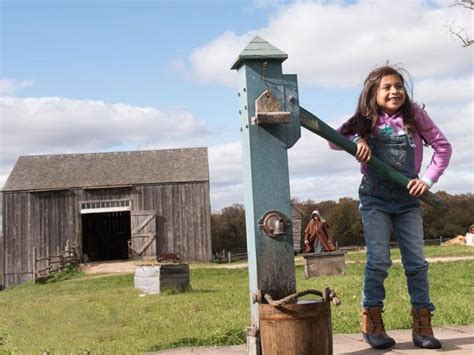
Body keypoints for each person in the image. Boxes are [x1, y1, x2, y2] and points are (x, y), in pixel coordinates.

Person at [330, 65, 452, 350]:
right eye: (387, 87)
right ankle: (372, 320)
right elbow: (333, 140)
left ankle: (422, 325)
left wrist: (428, 180)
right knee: (379, 260)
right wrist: (356, 139)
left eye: (399, 86)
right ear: (373, 92)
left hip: (409, 201)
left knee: (416, 263)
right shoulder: (365, 120)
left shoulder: (414, 117)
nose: (394, 91)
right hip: (375, 199)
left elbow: (443, 147)